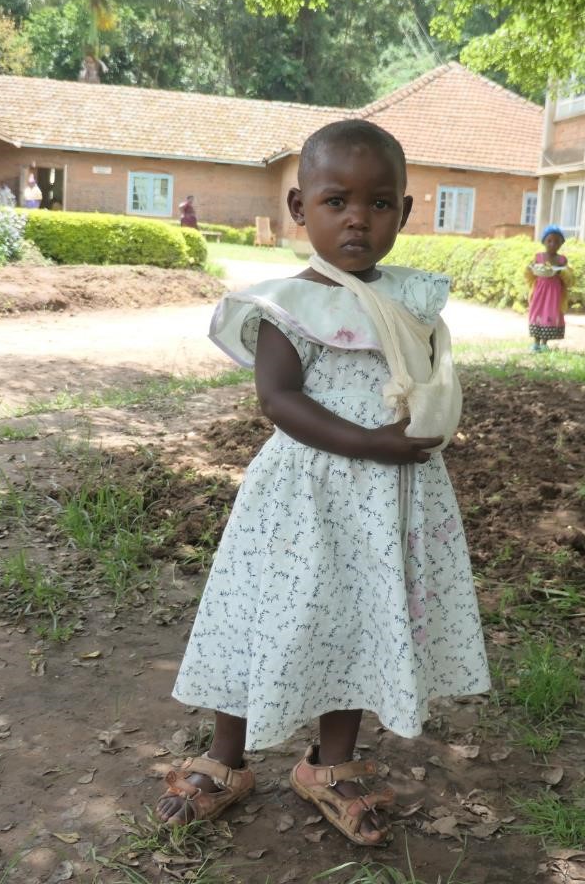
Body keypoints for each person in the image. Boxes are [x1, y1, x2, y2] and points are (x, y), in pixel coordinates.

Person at [153, 120, 489, 846]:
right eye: (336, 202)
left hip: (385, 503)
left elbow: (430, 381)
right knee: (264, 613)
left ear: (403, 211)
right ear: (300, 210)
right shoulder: (289, 304)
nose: (357, 219)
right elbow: (279, 400)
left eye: (378, 204)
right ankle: (226, 756)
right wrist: (369, 443)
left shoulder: (414, 301)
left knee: (362, 618)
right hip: (301, 502)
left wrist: (426, 429)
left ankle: (330, 765)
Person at [525, 225, 573, 352]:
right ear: (544, 242)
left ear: (562, 243)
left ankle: (544, 343)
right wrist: (530, 268)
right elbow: (530, 271)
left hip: (554, 292)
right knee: (537, 312)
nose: (553, 244)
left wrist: (562, 272)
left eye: (557, 241)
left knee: (550, 312)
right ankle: (535, 342)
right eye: (549, 241)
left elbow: (569, 275)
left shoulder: (562, 259)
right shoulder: (538, 257)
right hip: (539, 290)